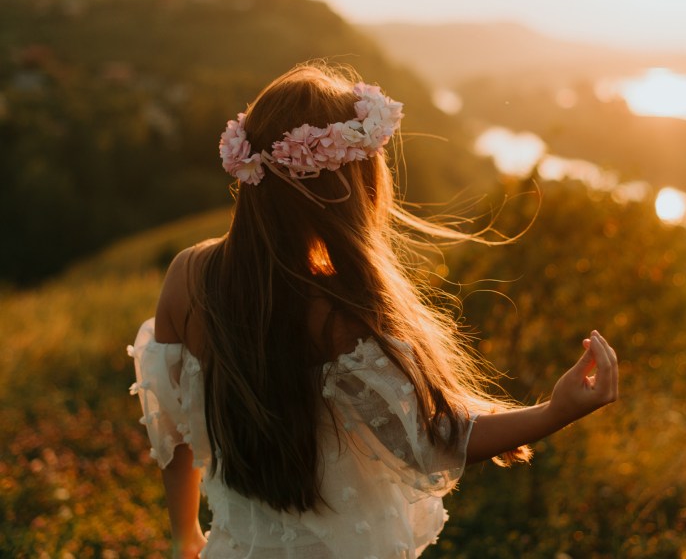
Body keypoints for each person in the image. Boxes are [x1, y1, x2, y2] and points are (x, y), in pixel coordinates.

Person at [129, 63, 618, 559]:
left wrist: (184, 534)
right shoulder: (342, 312)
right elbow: (432, 442)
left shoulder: (187, 275)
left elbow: (172, 431)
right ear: (352, 184)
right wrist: (556, 411)